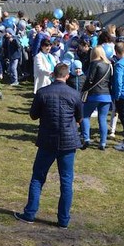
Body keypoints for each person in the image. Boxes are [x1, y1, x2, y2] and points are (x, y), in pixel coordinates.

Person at [14, 63, 82, 228]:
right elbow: (80, 117)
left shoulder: (42, 93)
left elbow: (33, 115)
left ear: (52, 74)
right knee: (66, 181)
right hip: (68, 142)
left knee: (38, 178)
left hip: (47, 141)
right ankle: (63, 220)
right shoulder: (74, 94)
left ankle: (30, 213)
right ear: (67, 76)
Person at [80, 46, 113, 150]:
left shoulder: (94, 63)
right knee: (102, 119)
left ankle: (86, 139)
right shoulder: (109, 65)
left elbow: (89, 80)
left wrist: (83, 90)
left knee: (85, 116)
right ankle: (103, 143)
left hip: (94, 94)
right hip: (106, 95)